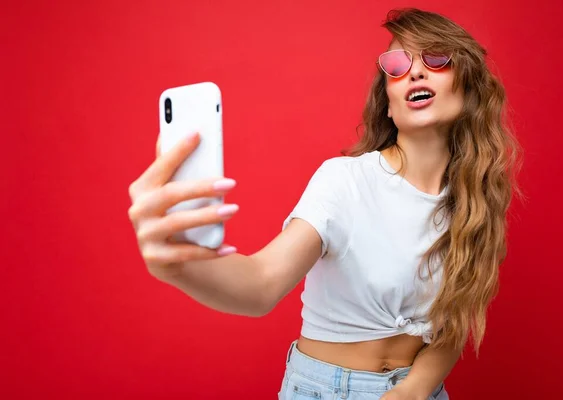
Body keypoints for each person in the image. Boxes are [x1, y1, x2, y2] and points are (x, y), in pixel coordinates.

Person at [127, 7, 522, 400]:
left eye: (436, 58)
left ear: (468, 89)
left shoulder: (475, 202)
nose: (415, 72)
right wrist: (179, 264)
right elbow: (261, 283)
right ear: (388, 104)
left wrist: (413, 390)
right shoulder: (345, 180)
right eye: (397, 65)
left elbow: (452, 323)